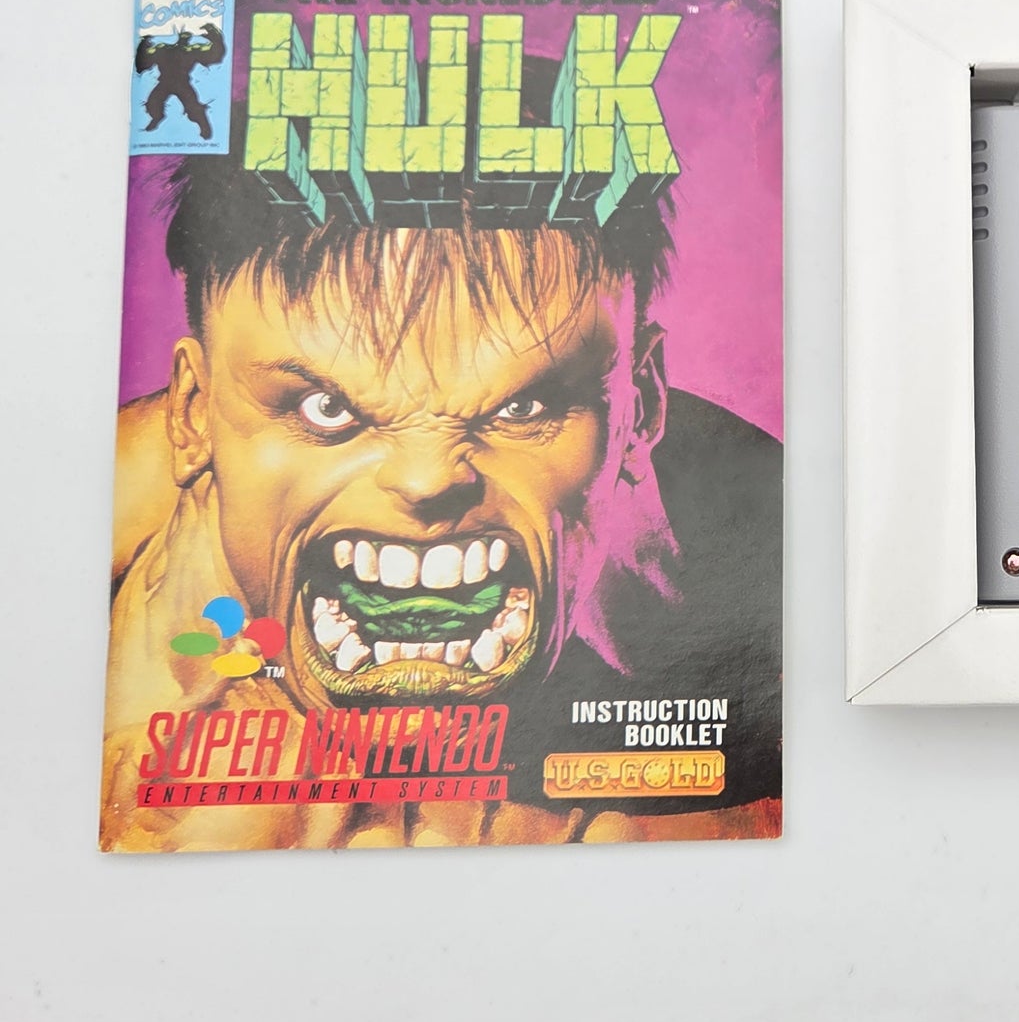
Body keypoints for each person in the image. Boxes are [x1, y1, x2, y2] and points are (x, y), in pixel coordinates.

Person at [102, 139, 781, 850]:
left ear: (640, 408)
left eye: (521, 408)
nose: (426, 480)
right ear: (192, 414)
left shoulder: (748, 547)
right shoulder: (121, 516)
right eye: (327, 409)